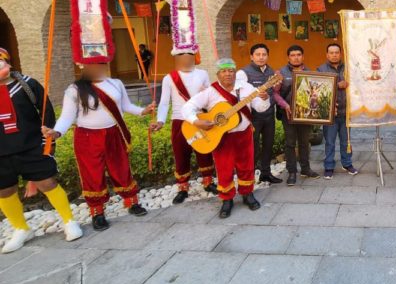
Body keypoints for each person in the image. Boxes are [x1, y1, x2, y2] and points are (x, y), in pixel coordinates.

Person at [43, 62, 155, 231]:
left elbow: (125, 106)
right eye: (93, 65)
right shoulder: (74, 89)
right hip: (87, 137)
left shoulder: (115, 83)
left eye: (101, 64)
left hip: (113, 134)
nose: (98, 68)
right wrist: (57, 132)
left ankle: (132, 202)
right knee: (92, 174)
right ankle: (97, 212)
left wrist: (143, 111)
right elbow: (67, 117)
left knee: (121, 168)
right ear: (83, 66)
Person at [0, 48, 82, 254]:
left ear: (8, 63)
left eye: (2, 62)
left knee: (47, 182)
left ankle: (69, 220)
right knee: (4, 190)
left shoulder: (28, 85)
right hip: (1, 152)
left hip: (31, 145)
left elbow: (46, 111)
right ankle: (21, 228)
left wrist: (48, 136)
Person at [181, 58, 270, 218]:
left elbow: (260, 107)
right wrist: (197, 121)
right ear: (218, 74)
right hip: (221, 138)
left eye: (231, 71)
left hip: (243, 135)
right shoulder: (210, 91)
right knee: (224, 168)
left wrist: (264, 99)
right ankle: (227, 199)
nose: (228, 74)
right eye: (224, 71)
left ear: (235, 73)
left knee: (246, 166)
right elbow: (187, 107)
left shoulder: (246, 88)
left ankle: (247, 194)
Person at [150, 49, 216, 204]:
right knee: (181, 154)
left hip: (199, 119)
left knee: (204, 151)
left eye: (188, 56)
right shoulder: (169, 78)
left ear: (194, 56)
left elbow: (211, 95)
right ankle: (183, 187)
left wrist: (206, 92)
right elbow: (165, 102)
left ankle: (208, 182)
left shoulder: (203, 74)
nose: (185, 59)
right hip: (179, 120)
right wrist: (160, 120)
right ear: (176, 58)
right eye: (181, 56)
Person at [235, 43, 283, 185]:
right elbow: (238, 97)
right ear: (251, 56)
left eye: (264, 55)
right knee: (252, 148)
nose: (261, 57)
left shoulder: (271, 72)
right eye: (258, 54)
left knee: (268, 145)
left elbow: (275, 93)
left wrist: (270, 97)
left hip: (269, 115)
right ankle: (247, 178)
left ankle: (266, 174)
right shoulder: (242, 73)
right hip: (252, 118)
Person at [273, 45, 320, 186]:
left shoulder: (310, 73)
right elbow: (275, 93)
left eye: (299, 54)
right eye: (293, 55)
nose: (296, 57)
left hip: (305, 114)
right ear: (288, 57)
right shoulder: (280, 73)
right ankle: (292, 172)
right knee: (290, 143)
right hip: (288, 114)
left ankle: (305, 169)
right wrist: (285, 105)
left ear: (303, 57)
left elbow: (315, 93)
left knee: (305, 142)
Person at [317, 43, 358, 179]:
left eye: (337, 52)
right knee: (329, 141)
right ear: (327, 55)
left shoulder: (348, 68)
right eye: (331, 52)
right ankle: (329, 166)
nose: (334, 55)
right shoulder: (321, 69)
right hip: (330, 114)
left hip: (346, 111)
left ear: (340, 54)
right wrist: (336, 85)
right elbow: (317, 90)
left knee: (346, 141)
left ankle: (347, 163)